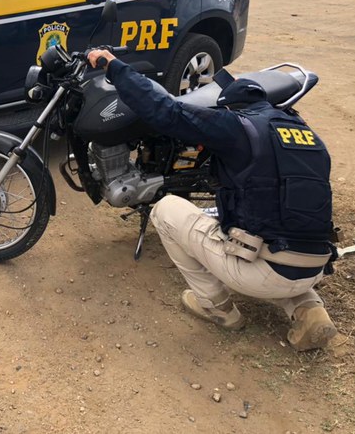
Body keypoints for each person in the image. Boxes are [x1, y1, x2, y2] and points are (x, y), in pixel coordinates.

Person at [87, 49, 338, 351]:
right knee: (282, 229)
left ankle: (217, 308)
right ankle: (309, 308)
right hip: (315, 266)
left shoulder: (236, 126)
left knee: (166, 210)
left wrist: (114, 66)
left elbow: (168, 111)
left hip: (263, 272)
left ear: (230, 108)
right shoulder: (309, 137)